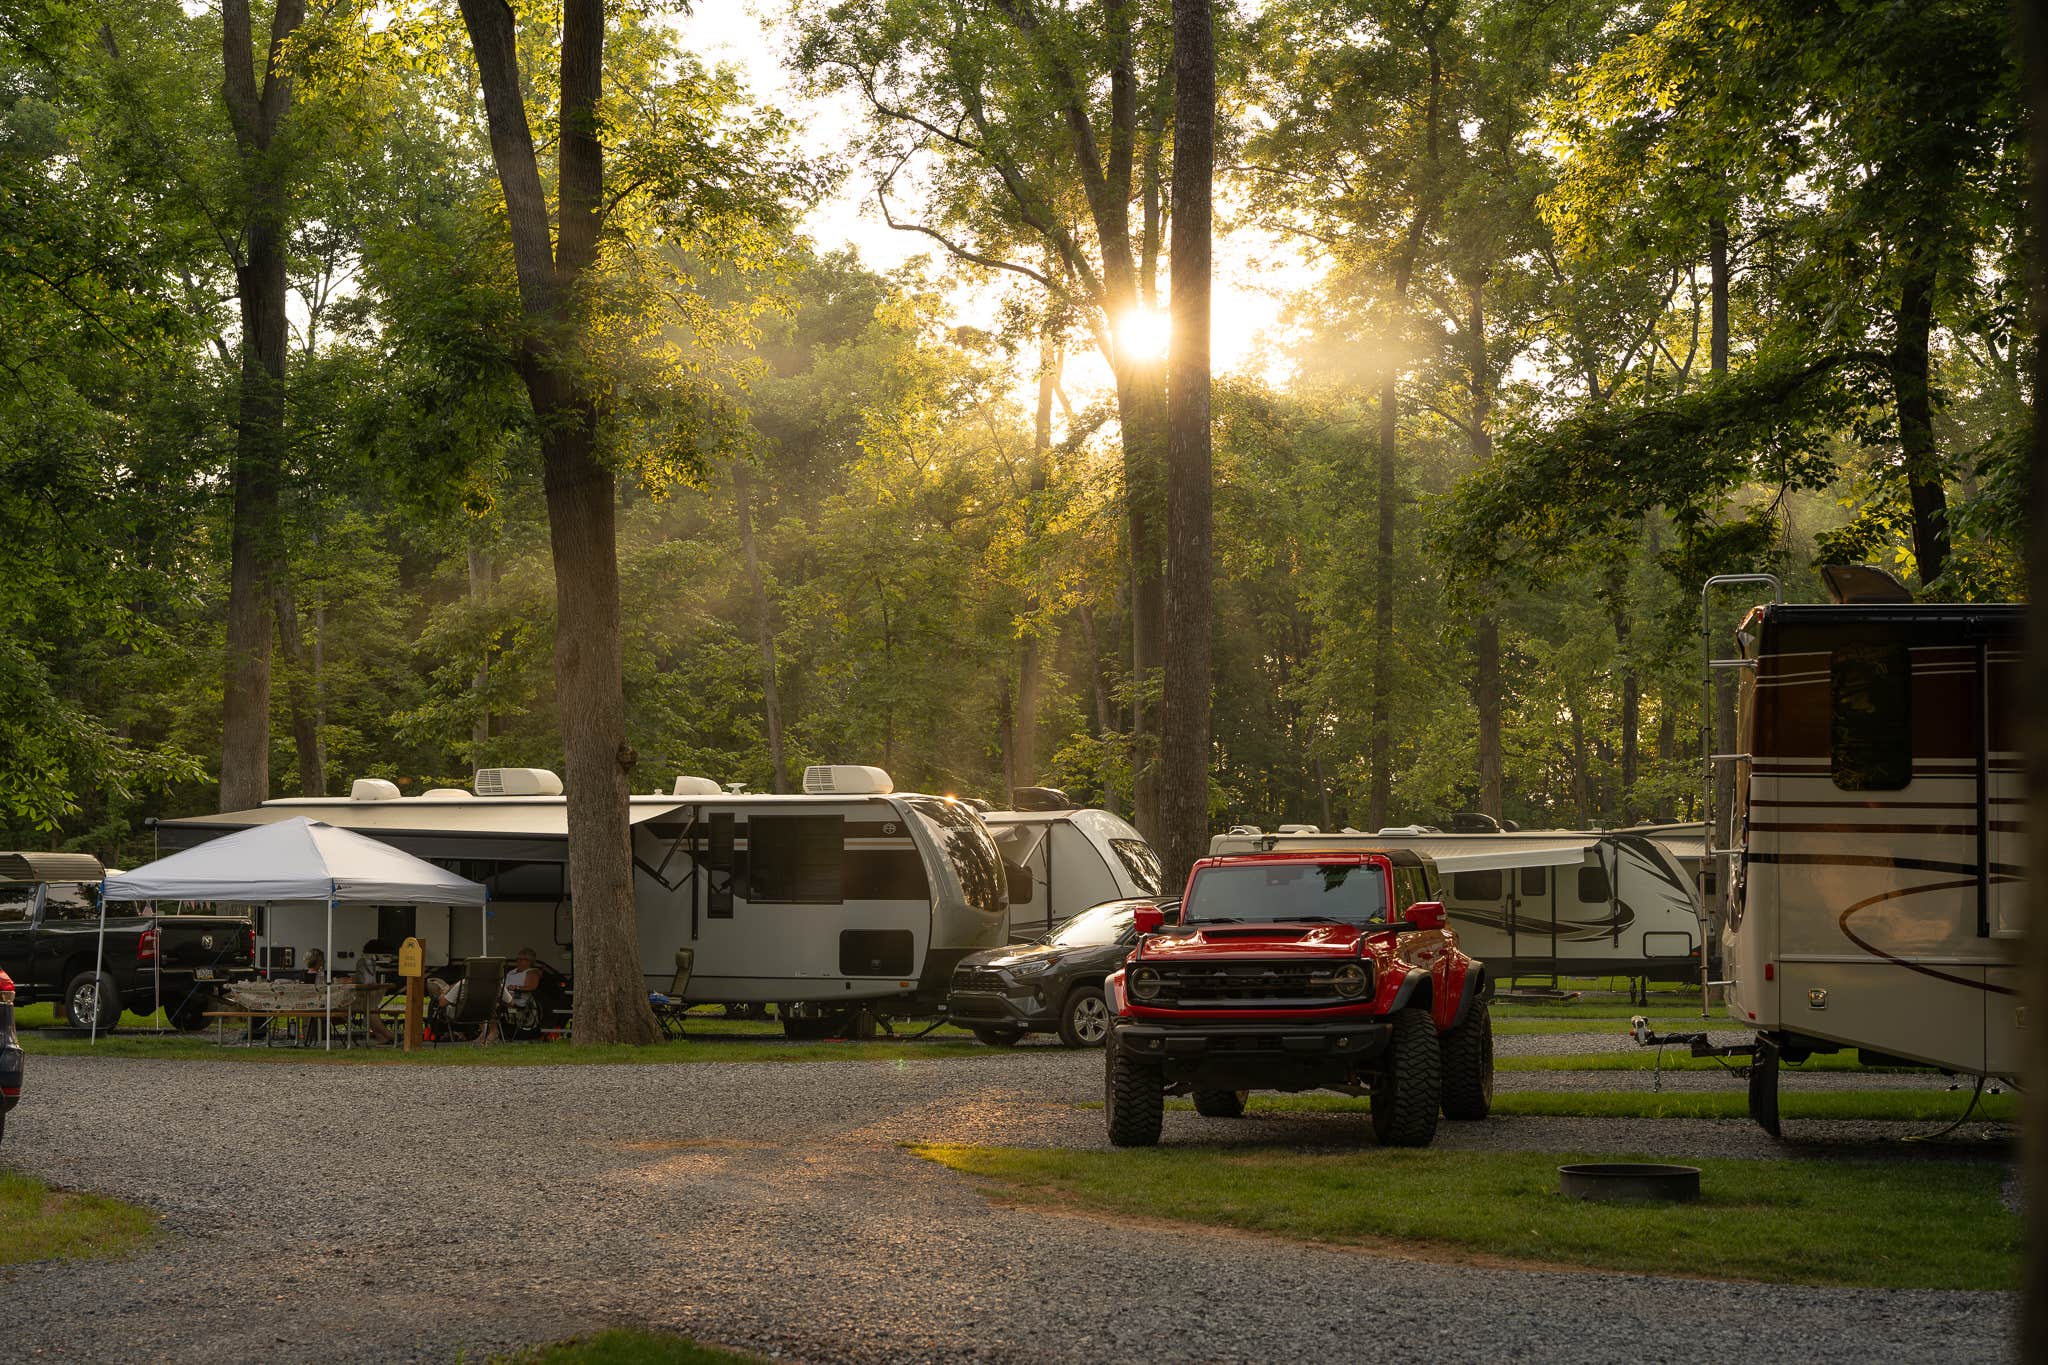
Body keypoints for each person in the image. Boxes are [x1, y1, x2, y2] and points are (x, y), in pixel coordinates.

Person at [353, 940, 394, 1045]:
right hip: (372, 992)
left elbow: (364, 980)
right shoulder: (374, 962)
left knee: (369, 1009)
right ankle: (383, 1035)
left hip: (365, 993)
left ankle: (387, 1035)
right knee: (371, 1009)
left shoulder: (364, 961)